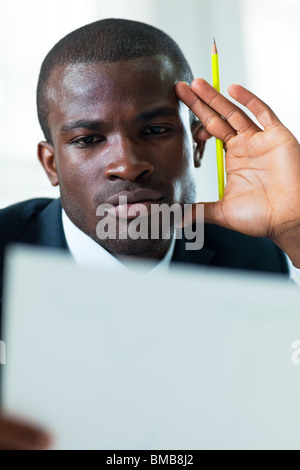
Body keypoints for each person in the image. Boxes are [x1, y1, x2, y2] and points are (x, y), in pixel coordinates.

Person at [0, 18, 299, 449]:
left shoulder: (256, 259)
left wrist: (297, 232)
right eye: (88, 139)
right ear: (51, 165)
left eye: (156, 130)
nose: (127, 163)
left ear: (197, 144)